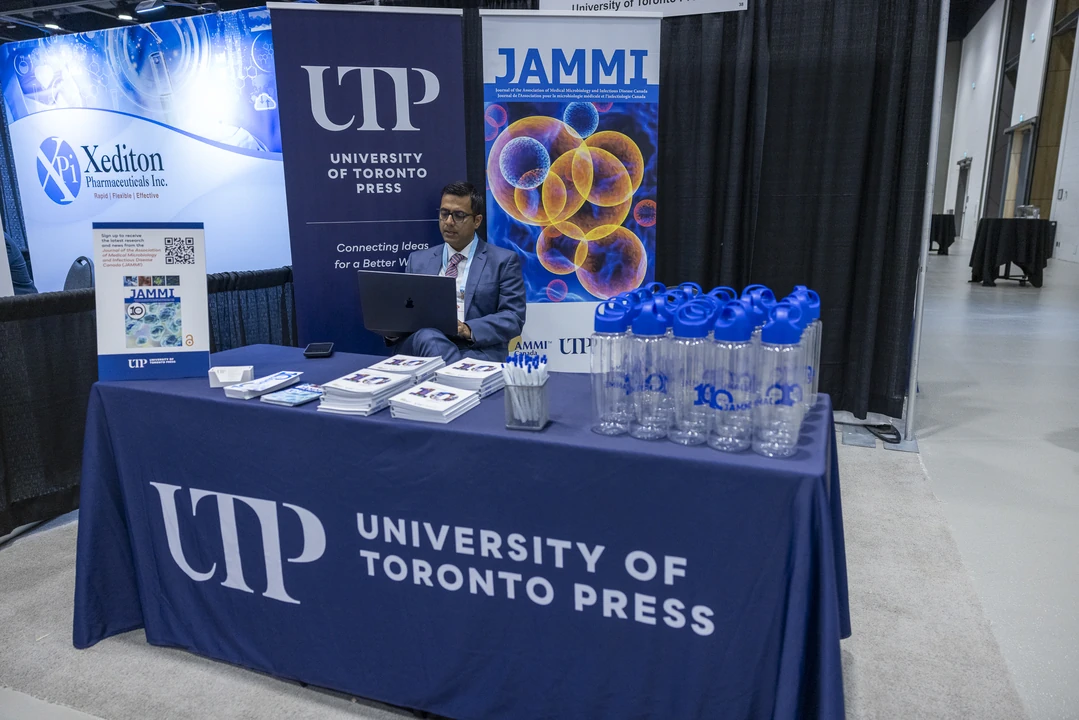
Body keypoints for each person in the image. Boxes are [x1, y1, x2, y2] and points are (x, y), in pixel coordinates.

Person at [394, 181, 525, 363]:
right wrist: (392, 327)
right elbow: (407, 313)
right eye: (444, 213)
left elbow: (513, 318)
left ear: (477, 221)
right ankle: (454, 371)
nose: (449, 222)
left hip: (476, 349)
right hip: (425, 344)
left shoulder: (502, 261)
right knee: (429, 337)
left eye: (459, 215)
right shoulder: (418, 261)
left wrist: (467, 329)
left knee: (438, 344)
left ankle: (450, 369)